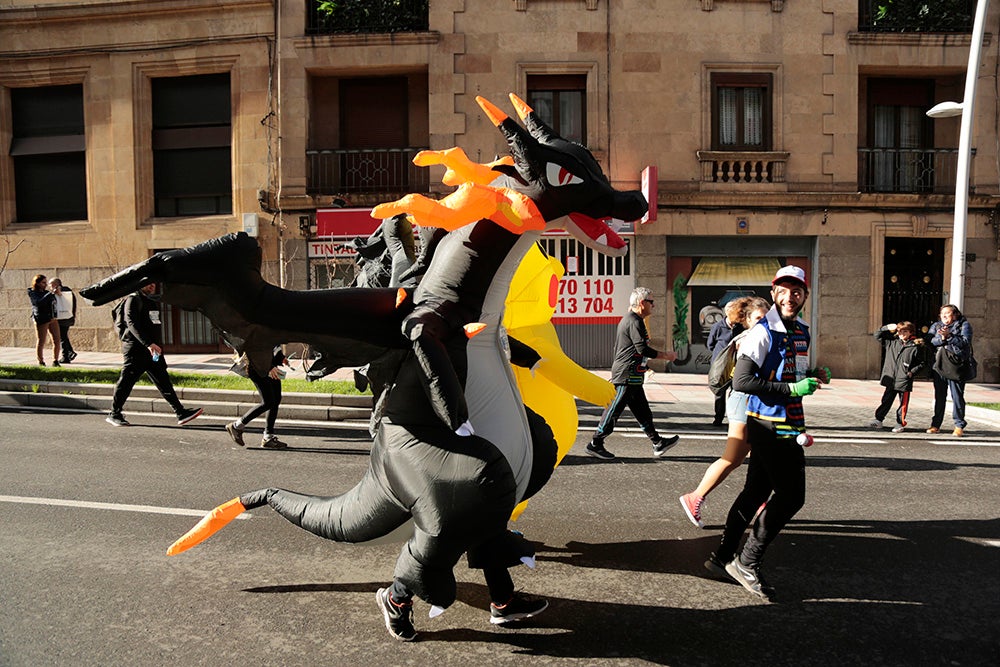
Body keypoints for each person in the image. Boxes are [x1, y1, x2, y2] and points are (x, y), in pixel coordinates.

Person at [704, 266, 829, 601]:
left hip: (788, 422)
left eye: (798, 291)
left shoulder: (800, 330)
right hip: (769, 426)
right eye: (784, 291)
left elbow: (791, 370)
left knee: (754, 493)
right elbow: (743, 381)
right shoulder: (762, 332)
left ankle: (721, 557)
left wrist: (814, 374)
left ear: (805, 295)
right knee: (791, 497)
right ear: (774, 294)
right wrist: (792, 387)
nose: (791, 297)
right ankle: (747, 562)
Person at [681, 296, 770, 528]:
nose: (763, 322)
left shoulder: (762, 336)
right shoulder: (748, 339)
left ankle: (759, 502)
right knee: (733, 457)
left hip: (757, 403)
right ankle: (695, 497)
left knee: (760, 456)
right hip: (743, 401)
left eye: (766, 318)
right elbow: (745, 379)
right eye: (758, 318)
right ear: (748, 320)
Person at [585, 286, 679, 460]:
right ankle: (595, 443)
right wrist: (666, 355)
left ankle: (657, 442)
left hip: (634, 374)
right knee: (614, 409)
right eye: (651, 302)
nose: (654, 305)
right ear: (642, 303)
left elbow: (635, 349)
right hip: (626, 374)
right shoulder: (633, 320)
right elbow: (641, 348)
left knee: (643, 411)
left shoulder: (634, 320)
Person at [106, 282, 202, 427]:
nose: (152, 286)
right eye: (148, 283)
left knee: (163, 380)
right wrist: (148, 344)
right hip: (136, 350)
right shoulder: (133, 299)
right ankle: (114, 413)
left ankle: (180, 412)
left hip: (152, 351)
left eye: (154, 283)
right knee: (126, 381)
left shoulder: (151, 300)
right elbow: (131, 323)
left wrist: (155, 345)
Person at [226, 346, 290, 449]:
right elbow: (254, 349)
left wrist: (280, 358)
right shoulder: (259, 330)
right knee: (268, 402)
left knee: (276, 399)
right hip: (258, 368)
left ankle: (268, 437)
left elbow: (274, 346)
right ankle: (236, 426)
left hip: (270, 366)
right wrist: (269, 366)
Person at [869, 321, 925, 434]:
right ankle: (879, 419)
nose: (902, 333)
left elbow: (922, 363)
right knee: (886, 400)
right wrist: (886, 328)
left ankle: (900, 422)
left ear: (910, 332)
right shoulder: (892, 342)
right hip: (891, 378)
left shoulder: (915, 346)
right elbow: (877, 335)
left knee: (902, 404)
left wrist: (912, 372)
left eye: (905, 331)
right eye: (900, 331)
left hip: (904, 379)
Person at [927, 304, 973, 437]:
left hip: (955, 365)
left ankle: (959, 425)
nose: (945, 316)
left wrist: (949, 336)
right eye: (942, 314)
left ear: (955, 314)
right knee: (939, 396)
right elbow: (930, 341)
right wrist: (941, 338)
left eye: (948, 313)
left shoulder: (963, 325)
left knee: (957, 396)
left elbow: (965, 342)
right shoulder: (936, 326)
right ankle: (936, 424)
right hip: (939, 364)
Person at [706, 300, 742, 427]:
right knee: (719, 391)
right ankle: (718, 418)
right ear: (727, 313)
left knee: (736, 390)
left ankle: (734, 418)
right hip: (720, 364)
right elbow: (710, 345)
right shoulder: (717, 327)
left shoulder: (740, 327)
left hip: (736, 363)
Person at [27, 274, 61, 366]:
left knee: (57, 339)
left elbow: (53, 302)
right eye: (43, 282)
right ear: (37, 283)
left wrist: (57, 294)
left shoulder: (46, 292)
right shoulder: (32, 292)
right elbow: (38, 303)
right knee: (41, 341)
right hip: (41, 318)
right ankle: (41, 361)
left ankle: (56, 360)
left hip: (52, 318)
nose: (45, 284)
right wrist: (51, 293)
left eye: (46, 282)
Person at [50, 278, 79, 364]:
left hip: (61, 318)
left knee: (62, 337)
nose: (49, 287)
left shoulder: (60, 293)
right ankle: (70, 352)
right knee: (64, 336)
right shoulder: (69, 293)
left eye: (50, 285)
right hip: (68, 317)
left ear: (55, 285)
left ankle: (66, 356)